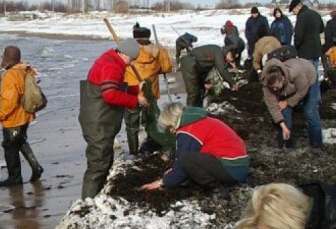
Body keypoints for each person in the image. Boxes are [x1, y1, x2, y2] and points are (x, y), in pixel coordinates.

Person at [78, 38, 148, 199]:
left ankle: (97, 198)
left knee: (104, 161)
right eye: (131, 59)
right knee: (98, 165)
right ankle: (87, 203)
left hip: (97, 120)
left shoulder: (109, 59)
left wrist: (135, 89)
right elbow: (110, 95)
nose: (131, 63)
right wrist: (135, 100)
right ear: (123, 54)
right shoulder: (112, 66)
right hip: (98, 122)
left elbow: (114, 87)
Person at [139, 102, 249, 194]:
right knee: (187, 159)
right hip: (239, 164)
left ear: (173, 122)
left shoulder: (188, 131)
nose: (171, 131)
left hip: (232, 169)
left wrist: (163, 182)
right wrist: (174, 170)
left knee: (186, 158)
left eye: (169, 127)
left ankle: (215, 189)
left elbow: (184, 159)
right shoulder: (198, 120)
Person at [0, 46, 43, 186]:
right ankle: (36, 167)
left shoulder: (10, 75)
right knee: (20, 141)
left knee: (10, 146)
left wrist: (0, 115)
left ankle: (14, 177)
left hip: (14, 119)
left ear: (7, 59)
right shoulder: (25, 69)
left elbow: (10, 100)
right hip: (26, 115)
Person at [124, 24, 175, 154]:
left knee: (131, 124)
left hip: (131, 91)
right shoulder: (158, 50)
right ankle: (151, 144)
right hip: (150, 92)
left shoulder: (127, 50)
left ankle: (133, 151)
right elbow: (167, 68)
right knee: (151, 120)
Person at [261, 56, 323, 149]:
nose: (274, 89)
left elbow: (302, 90)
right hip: (288, 89)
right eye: (272, 87)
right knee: (285, 115)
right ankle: (286, 145)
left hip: (308, 78)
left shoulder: (295, 72)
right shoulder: (266, 84)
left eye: (276, 87)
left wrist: (287, 102)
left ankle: (317, 145)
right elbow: (273, 107)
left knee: (310, 112)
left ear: (282, 78)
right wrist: (283, 126)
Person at [289, 0, 324, 73]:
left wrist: (296, 48)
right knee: (314, 74)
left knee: (307, 76)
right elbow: (321, 29)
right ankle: (316, 85)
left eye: (293, 10)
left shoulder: (302, 17)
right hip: (316, 50)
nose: (293, 13)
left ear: (298, 7)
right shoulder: (316, 14)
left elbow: (298, 35)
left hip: (305, 52)